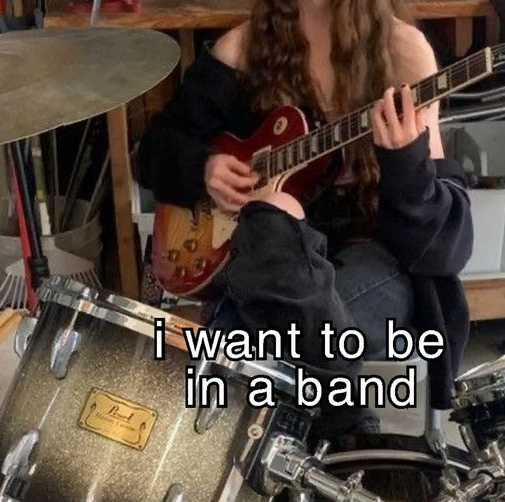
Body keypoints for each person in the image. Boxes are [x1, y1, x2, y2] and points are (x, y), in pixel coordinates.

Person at [137, 0, 473, 438]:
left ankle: (262, 427)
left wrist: (406, 163)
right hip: (265, 259)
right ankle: (344, 421)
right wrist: (203, 167)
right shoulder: (241, 49)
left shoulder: (404, 53)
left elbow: (445, 247)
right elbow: (155, 151)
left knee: (245, 342)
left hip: (370, 263)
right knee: (279, 214)